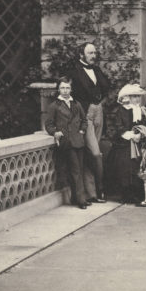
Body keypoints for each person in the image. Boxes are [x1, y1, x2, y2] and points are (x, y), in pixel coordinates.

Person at [68, 42, 111, 203]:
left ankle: (90, 192)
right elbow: (71, 95)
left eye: (94, 53)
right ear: (81, 55)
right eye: (90, 53)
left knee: (91, 153)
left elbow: (106, 87)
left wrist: (99, 104)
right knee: (95, 153)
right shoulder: (74, 72)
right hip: (85, 114)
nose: (93, 55)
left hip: (98, 111)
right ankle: (100, 190)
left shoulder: (97, 69)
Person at [44, 77, 88, 209]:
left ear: (71, 89)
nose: (65, 90)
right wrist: (55, 132)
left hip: (78, 141)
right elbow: (49, 124)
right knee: (75, 170)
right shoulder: (54, 106)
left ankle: (75, 198)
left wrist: (82, 131)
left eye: (67, 87)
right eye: (62, 88)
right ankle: (81, 200)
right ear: (58, 89)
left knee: (78, 169)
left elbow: (84, 120)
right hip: (66, 142)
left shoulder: (77, 104)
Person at [107, 83, 146, 204]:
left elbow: (144, 125)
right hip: (123, 144)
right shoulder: (120, 111)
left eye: (138, 96)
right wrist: (131, 136)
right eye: (134, 96)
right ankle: (125, 194)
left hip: (137, 143)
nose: (137, 99)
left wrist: (140, 135)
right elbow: (118, 126)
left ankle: (136, 194)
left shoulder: (140, 111)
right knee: (124, 168)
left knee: (137, 167)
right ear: (128, 97)